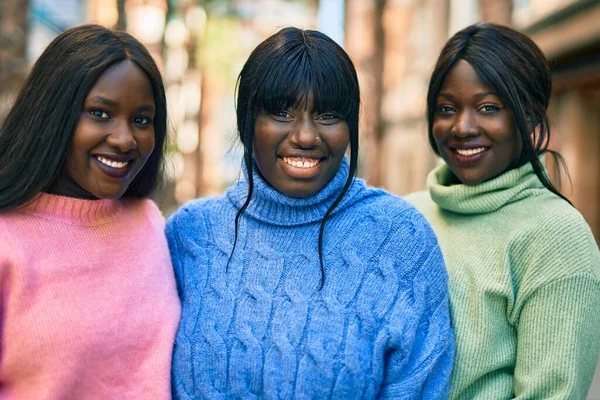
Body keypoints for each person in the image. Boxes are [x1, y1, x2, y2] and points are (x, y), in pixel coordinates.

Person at [167, 27, 454, 399]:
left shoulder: (400, 241)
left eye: (328, 114)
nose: (305, 135)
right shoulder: (188, 237)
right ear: (247, 121)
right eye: (282, 112)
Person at [406, 23, 600, 399]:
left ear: (528, 116)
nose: (462, 127)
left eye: (488, 108)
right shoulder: (407, 215)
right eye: (446, 108)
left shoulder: (556, 236)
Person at [0, 24, 180, 398]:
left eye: (142, 120)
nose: (124, 139)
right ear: (53, 114)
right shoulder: (7, 241)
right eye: (100, 113)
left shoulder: (147, 223)